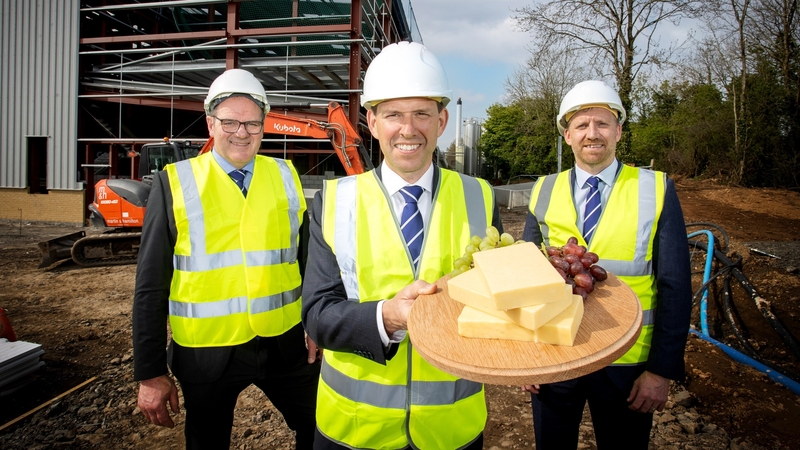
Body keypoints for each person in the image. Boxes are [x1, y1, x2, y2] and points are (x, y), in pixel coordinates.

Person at [302, 41, 503, 450]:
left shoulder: (480, 197)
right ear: (372, 122)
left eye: (422, 115)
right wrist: (387, 317)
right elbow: (318, 315)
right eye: (393, 114)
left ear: (442, 120)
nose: (408, 130)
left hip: (452, 428)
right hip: (356, 429)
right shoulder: (334, 201)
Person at [132, 68, 319, 450]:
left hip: (283, 344)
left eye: (252, 122)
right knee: (207, 442)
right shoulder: (175, 182)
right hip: (206, 353)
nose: (242, 132)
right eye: (230, 121)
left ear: (264, 125)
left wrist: (317, 324)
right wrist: (150, 373)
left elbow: (307, 260)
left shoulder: (286, 175)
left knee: (321, 429)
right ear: (211, 124)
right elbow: (150, 285)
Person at [520, 80, 692, 449]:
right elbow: (523, 279)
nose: (592, 134)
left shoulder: (656, 188)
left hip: (627, 360)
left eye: (601, 124)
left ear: (618, 131)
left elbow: (675, 284)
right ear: (567, 135)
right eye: (582, 125)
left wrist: (661, 370)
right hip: (556, 353)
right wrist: (525, 354)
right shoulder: (543, 188)